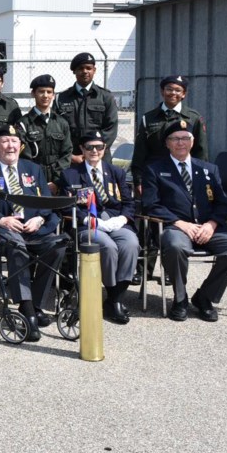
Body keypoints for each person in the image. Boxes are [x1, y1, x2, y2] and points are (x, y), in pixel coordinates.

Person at [0, 124, 65, 342]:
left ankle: (37, 303)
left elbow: (46, 201)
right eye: (5, 141)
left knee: (57, 247)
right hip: (2, 229)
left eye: (14, 142)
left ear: (20, 146)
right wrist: (0, 219)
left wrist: (39, 218)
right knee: (16, 246)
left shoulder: (34, 169)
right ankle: (28, 310)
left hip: (35, 228)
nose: (10, 146)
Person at [142, 120, 227, 322]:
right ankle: (180, 299)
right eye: (175, 139)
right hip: (175, 228)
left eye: (185, 138)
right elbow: (150, 204)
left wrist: (211, 224)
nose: (180, 143)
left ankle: (204, 297)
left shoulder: (209, 169)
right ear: (167, 143)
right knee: (174, 246)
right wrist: (180, 223)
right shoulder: (154, 169)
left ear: (192, 141)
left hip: (208, 228)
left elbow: (222, 205)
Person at [60, 131, 139, 325]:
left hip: (114, 221)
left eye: (99, 147)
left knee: (131, 244)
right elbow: (67, 205)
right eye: (89, 147)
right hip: (87, 224)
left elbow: (129, 202)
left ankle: (115, 298)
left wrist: (122, 218)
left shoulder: (116, 172)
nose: (94, 151)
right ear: (82, 150)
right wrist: (88, 221)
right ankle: (113, 295)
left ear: (105, 149)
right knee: (108, 247)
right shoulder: (70, 174)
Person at [131, 74, 209, 197]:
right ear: (162, 91)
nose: (173, 93)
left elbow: (201, 152)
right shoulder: (149, 118)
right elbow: (140, 152)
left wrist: (199, 179)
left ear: (184, 94)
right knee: (155, 212)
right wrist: (138, 180)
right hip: (154, 176)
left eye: (178, 90)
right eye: (169, 89)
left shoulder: (194, 118)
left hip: (183, 176)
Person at [55, 52, 118, 165]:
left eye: (88, 68)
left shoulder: (106, 97)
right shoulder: (61, 98)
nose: (85, 71)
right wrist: (71, 156)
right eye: (80, 68)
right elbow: (56, 130)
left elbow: (110, 129)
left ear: (94, 70)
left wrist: (93, 151)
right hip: (72, 159)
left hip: (99, 158)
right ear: (74, 71)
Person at [18, 73, 71, 194]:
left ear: (54, 95)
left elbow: (66, 153)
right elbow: (24, 157)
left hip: (57, 180)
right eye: (41, 91)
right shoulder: (23, 123)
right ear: (33, 94)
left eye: (49, 92)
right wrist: (38, 181)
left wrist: (56, 181)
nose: (45, 95)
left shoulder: (62, 123)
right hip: (33, 180)